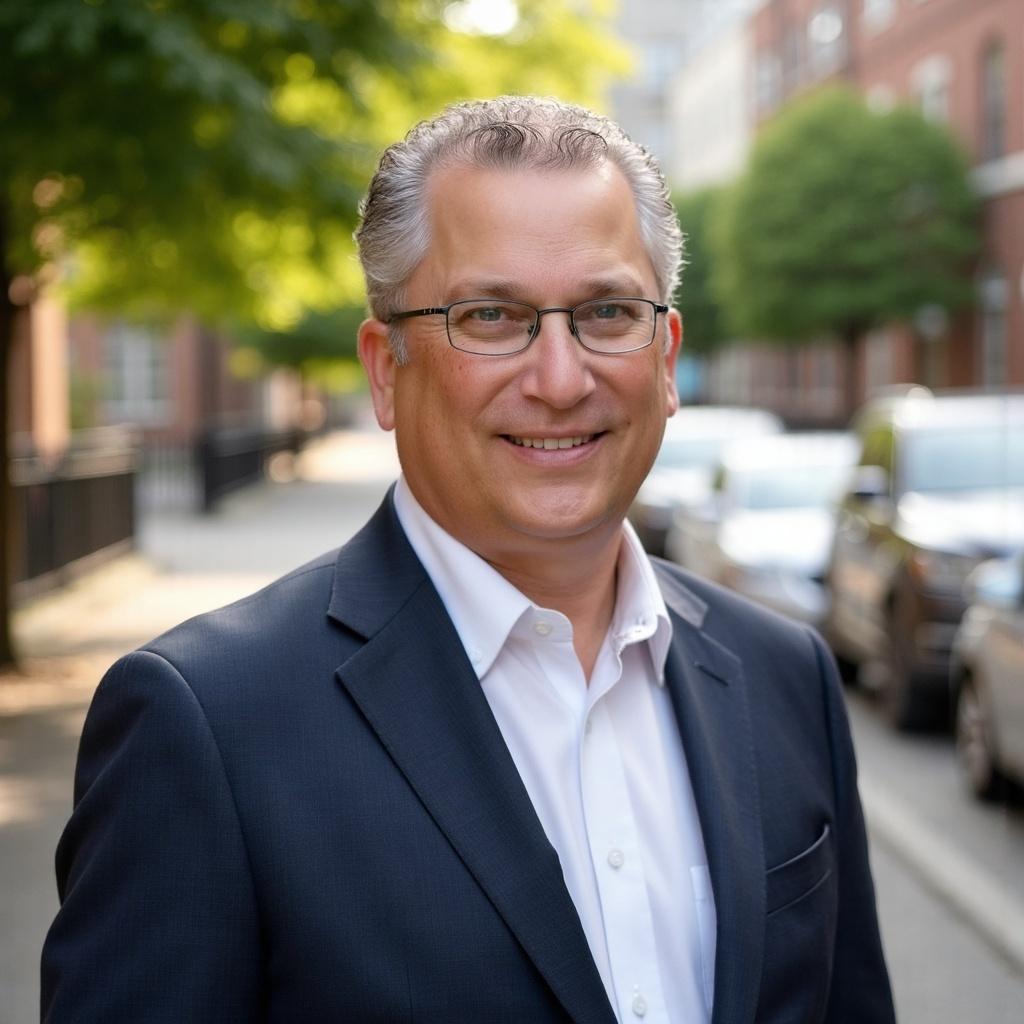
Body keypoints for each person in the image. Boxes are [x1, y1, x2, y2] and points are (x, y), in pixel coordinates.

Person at [42, 96, 895, 1024]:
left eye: (608, 312)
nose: (562, 379)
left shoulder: (786, 675)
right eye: (492, 316)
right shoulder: (205, 723)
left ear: (664, 356)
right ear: (384, 369)